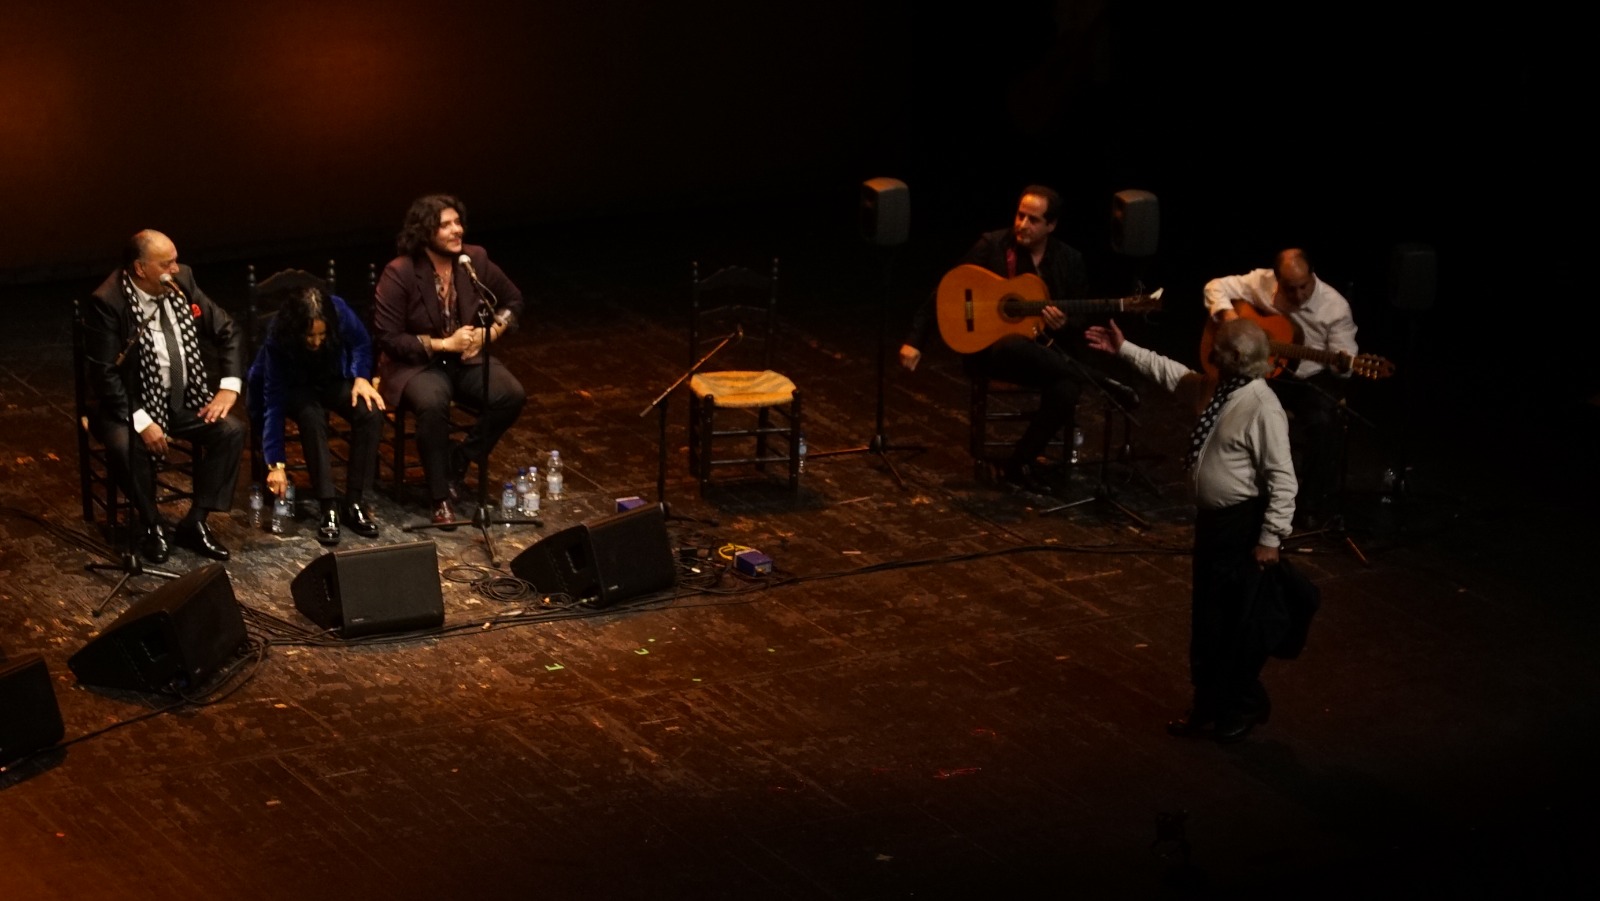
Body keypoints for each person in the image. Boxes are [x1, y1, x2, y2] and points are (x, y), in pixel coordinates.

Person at [1085, 317, 1296, 742]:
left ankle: (1242, 705)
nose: (1209, 352)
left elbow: (1282, 478)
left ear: (1237, 358)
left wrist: (1270, 539)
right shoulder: (1217, 389)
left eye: (1218, 348)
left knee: (1234, 622)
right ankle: (1207, 703)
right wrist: (1125, 349)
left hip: (1241, 527)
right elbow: (1170, 373)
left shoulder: (1261, 407)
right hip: (1214, 525)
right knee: (1207, 618)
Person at [899, 184, 1094, 489]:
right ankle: (1092, 377)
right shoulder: (992, 245)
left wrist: (1064, 323)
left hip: (1042, 357)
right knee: (1013, 344)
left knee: (1067, 390)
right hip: (993, 353)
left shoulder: (1069, 260)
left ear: (1051, 225)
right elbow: (947, 289)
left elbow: (1081, 319)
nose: (1022, 224)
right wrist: (915, 339)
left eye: (1033, 220)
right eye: (1020, 215)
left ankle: (1019, 463)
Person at [85, 230, 245, 563]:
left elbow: (227, 329)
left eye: (175, 260)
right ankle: (151, 523)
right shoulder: (109, 301)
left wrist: (229, 385)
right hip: (127, 404)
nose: (175, 269)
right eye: (165, 263)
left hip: (180, 400)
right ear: (140, 269)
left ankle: (195, 521)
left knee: (230, 430)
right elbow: (105, 374)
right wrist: (143, 421)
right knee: (124, 446)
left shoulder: (183, 279)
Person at [372, 194, 526, 526]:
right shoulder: (400, 272)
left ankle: (459, 460)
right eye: (446, 225)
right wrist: (445, 343)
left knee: (510, 395)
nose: (457, 230)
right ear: (425, 231)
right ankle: (439, 494)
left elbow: (513, 299)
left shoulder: (474, 259)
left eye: (458, 222)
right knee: (432, 402)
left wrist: (491, 334)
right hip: (416, 364)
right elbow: (389, 337)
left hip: (464, 359)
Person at [1204, 248, 1357, 528]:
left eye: (1303, 287)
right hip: (1260, 373)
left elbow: (1343, 360)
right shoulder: (1260, 282)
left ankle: (1308, 504)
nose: (1298, 295)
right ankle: (1235, 492)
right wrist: (1231, 322)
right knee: (1231, 407)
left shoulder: (1335, 307)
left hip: (1306, 380)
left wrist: (1344, 363)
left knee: (1326, 422)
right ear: (1277, 280)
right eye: (1290, 289)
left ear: (1313, 276)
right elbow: (1214, 287)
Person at [247, 272, 385, 545]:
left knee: (370, 411)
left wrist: (361, 377)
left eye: (323, 334)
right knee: (310, 416)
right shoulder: (278, 336)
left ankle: (354, 501)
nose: (317, 341)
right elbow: (273, 400)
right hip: (295, 385)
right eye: (311, 336)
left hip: (332, 377)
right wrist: (274, 462)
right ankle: (328, 505)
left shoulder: (340, 312)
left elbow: (361, 343)